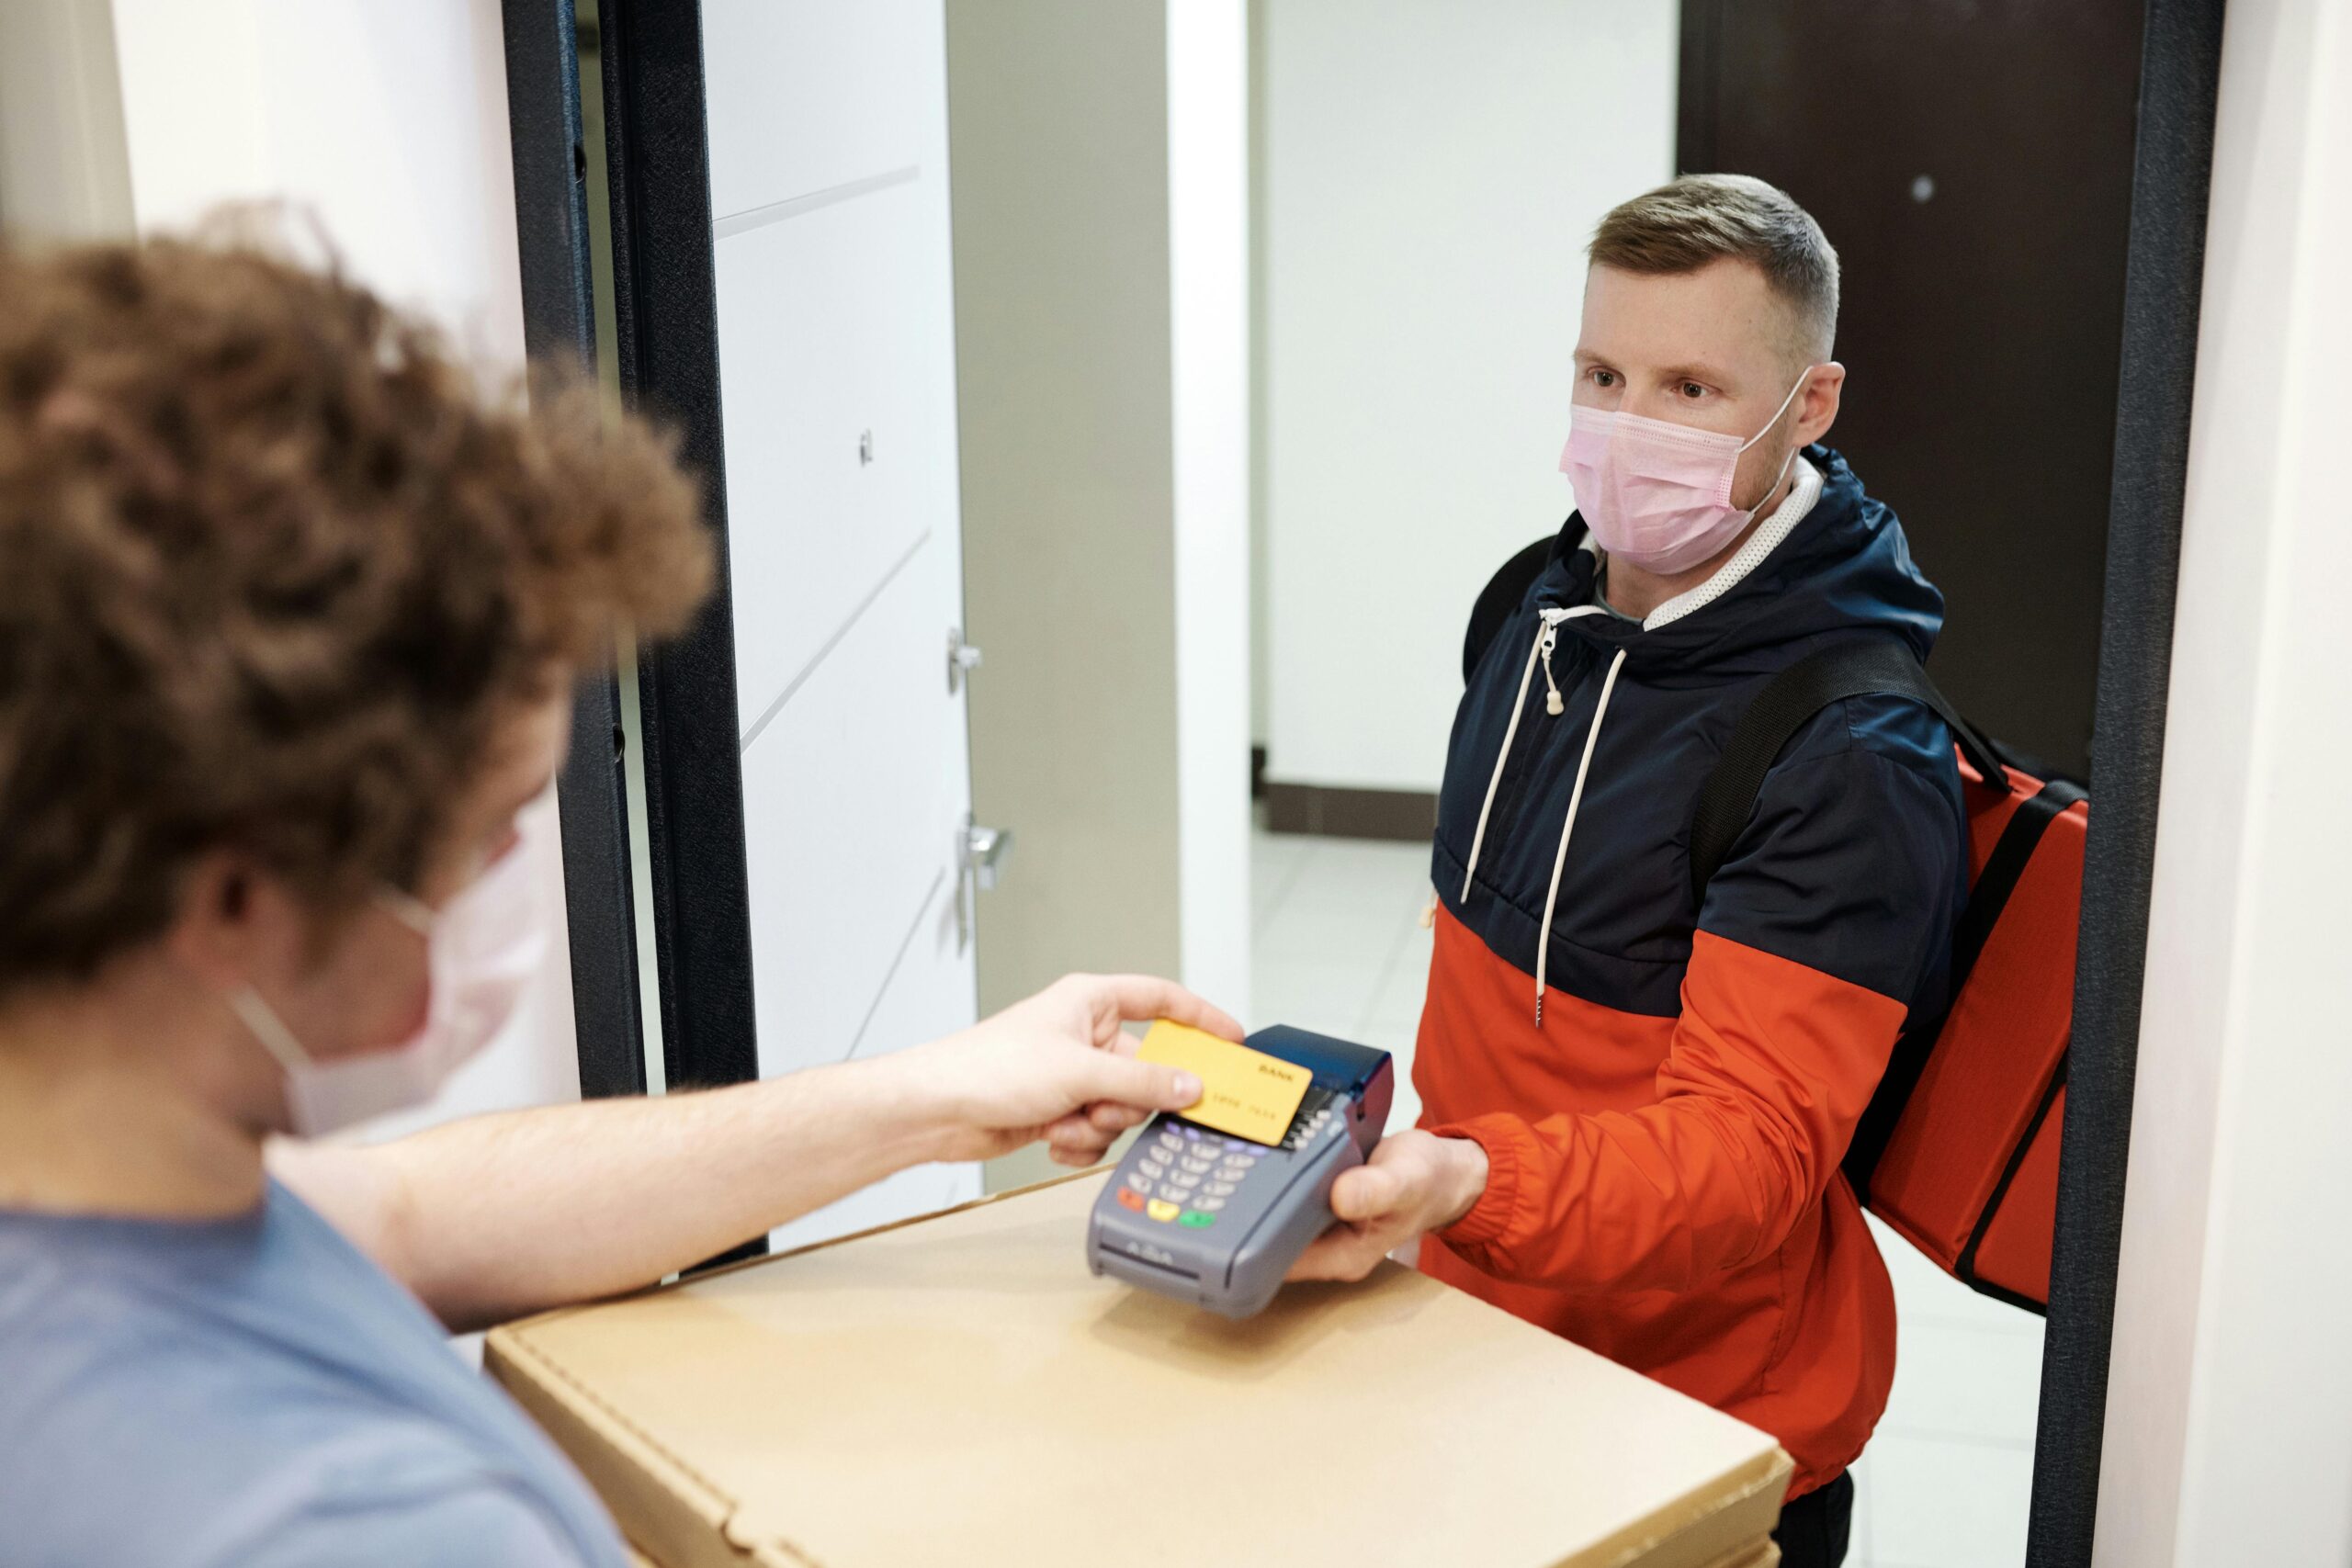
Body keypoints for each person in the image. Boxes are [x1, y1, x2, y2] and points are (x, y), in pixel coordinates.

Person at [0, 234, 1236, 1568]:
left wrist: (935, 1093)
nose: (505, 894)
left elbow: (411, 1216)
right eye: (485, 836)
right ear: (234, 899)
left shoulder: (119, 1175)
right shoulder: (336, 1522)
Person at [1288, 175, 1968, 1567]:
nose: (1626, 428)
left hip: (1694, 1424)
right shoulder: (1538, 608)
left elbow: (1746, 1158)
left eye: (1690, 389)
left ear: (1810, 409)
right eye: (1601, 373)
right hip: (1481, 1343)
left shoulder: (1849, 748)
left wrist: (1474, 1181)